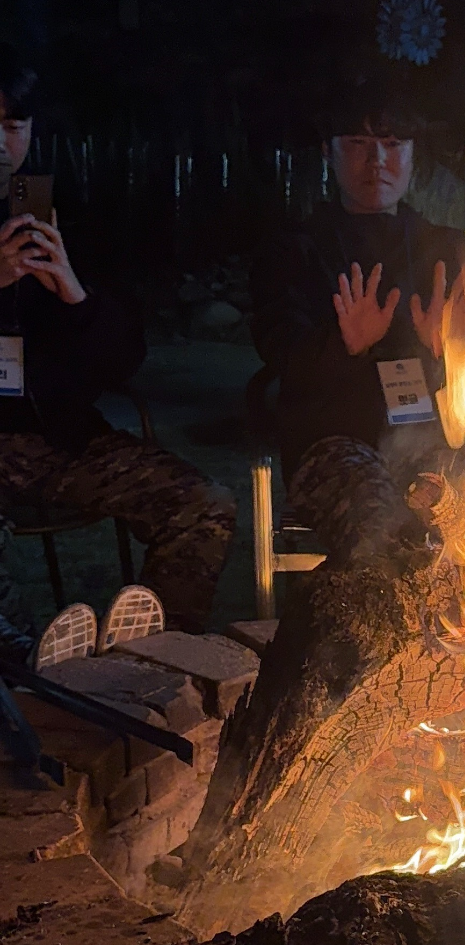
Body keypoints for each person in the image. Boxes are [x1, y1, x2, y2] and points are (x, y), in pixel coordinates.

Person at [0, 45, 236, 655]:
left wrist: (76, 295)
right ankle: (30, 670)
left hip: (64, 440)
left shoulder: (64, 214)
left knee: (203, 504)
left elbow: (125, 359)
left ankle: (156, 660)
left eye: (11, 126)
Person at [250, 72, 465, 565]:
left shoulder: (447, 249)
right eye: (357, 143)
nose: (376, 161)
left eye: (392, 144)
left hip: (429, 439)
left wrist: (450, 350)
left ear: (414, 156)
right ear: (330, 152)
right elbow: (277, 350)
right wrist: (344, 345)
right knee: (385, 529)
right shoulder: (293, 249)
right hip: (332, 446)